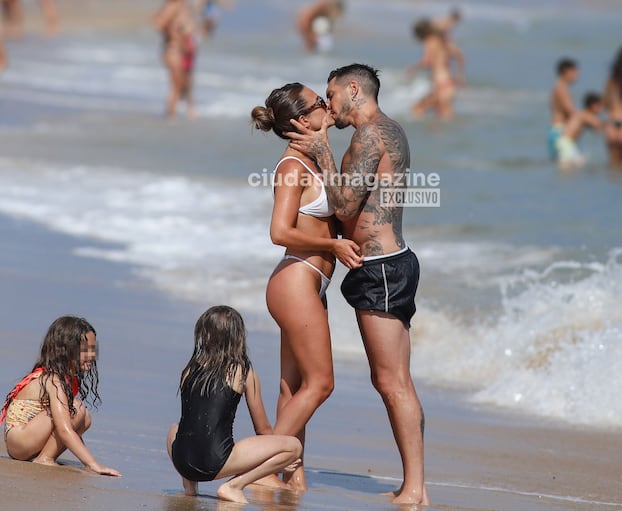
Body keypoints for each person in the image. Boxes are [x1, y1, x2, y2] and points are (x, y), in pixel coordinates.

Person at [285, 63, 428, 505]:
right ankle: (414, 485)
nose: (329, 104)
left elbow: (346, 205)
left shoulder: (368, 135)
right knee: (396, 380)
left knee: (391, 382)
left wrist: (322, 149)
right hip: (393, 262)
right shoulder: (390, 129)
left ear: (353, 89)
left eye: (332, 94)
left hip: (381, 268)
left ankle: (416, 490)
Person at [250, 83, 362, 490]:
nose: (326, 106)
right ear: (301, 120)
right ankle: (258, 468)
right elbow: (279, 232)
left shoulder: (312, 161)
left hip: (307, 283)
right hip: (295, 278)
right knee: (321, 384)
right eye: (319, 102)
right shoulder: (292, 167)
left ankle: (291, 474)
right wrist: (330, 243)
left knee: (291, 387)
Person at [167, 305, 302, 504]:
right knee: (293, 446)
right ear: (238, 337)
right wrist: (277, 462)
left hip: (182, 460)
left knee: (175, 428)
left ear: (204, 335)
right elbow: (262, 428)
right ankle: (234, 486)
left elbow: (192, 421)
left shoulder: (188, 370)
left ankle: (189, 485)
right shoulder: (244, 373)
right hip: (214, 461)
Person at [0, 316, 121, 476]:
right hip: (20, 440)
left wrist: (86, 460)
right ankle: (45, 458)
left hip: (23, 442)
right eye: (86, 349)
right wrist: (93, 464)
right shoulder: (53, 379)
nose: (92, 355)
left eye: (93, 349)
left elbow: (70, 427)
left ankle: (45, 456)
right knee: (75, 409)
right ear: (67, 350)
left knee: (84, 417)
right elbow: (64, 429)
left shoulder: (62, 378)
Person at [406, 18, 458, 120]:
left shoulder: (429, 41)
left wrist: (413, 69)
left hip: (440, 84)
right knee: (443, 117)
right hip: (448, 83)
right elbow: (458, 55)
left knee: (416, 110)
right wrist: (460, 74)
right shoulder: (441, 41)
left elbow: (426, 61)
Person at [154, 0, 198, 119]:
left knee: (185, 82)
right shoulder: (172, 6)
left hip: (183, 50)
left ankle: (180, 114)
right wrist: (173, 31)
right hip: (173, 49)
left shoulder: (183, 5)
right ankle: (170, 117)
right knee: (176, 86)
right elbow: (159, 23)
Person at [556, 92, 605, 170]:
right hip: (566, 143)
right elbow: (598, 125)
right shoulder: (586, 114)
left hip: (565, 142)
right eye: (600, 106)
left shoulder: (581, 113)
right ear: (593, 106)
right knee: (567, 169)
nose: (602, 109)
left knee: (575, 165)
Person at [548, 58, 578, 160]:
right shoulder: (561, 88)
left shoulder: (557, 87)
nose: (577, 75)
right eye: (575, 72)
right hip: (560, 131)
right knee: (569, 168)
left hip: (555, 130)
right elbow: (570, 111)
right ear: (567, 71)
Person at [433, 6, 466, 86]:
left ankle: (451, 76)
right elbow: (444, 32)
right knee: (460, 56)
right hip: (440, 42)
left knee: (446, 60)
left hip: (436, 41)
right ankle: (459, 76)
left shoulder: (443, 19)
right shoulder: (449, 21)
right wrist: (448, 42)